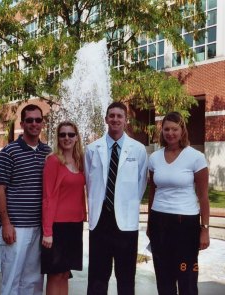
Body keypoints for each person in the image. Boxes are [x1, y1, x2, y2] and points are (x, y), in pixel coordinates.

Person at [85, 101, 148, 295]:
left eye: (119, 116)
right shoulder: (92, 149)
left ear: (125, 120)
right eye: (111, 116)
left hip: (125, 223)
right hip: (100, 220)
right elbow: (89, 183)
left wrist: (123, 204)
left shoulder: (137, 150)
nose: (115, 119)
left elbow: (141, 184)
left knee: (126, 277)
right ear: (106, 119)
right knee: (97, 277)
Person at [147, 111, 210, 295]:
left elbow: (204, 197)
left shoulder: (195, 157)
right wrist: (150, 223)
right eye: (166, 129)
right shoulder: (154, 158)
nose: (170, 133)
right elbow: (152, 192)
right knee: (163, 277)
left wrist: (204, 228)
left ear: (182, 131)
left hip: (186, 224)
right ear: (162, 131)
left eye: (174, 129)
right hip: (159, 222)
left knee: (187, 277)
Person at [0, 104, 51, 295]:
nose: (34, 124)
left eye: (38, 120)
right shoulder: (9, 152)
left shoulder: (47, 153)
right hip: (16, 228)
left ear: (42, 123)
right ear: (22, 123)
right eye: (29, 120)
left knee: (33, 281)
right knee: (12, 281)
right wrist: (6, 223)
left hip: (38, 228)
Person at [41, 121, 86, 295]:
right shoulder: (53, 161)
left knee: (65, 273)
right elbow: (48, 197)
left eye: (70, 134)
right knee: (55, 274)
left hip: (74, 225)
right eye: (62, 134)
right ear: (58, 138)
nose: (66, 138)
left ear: (76, 137)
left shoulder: (80, 161)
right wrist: (47, 231)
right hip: (56, 226)